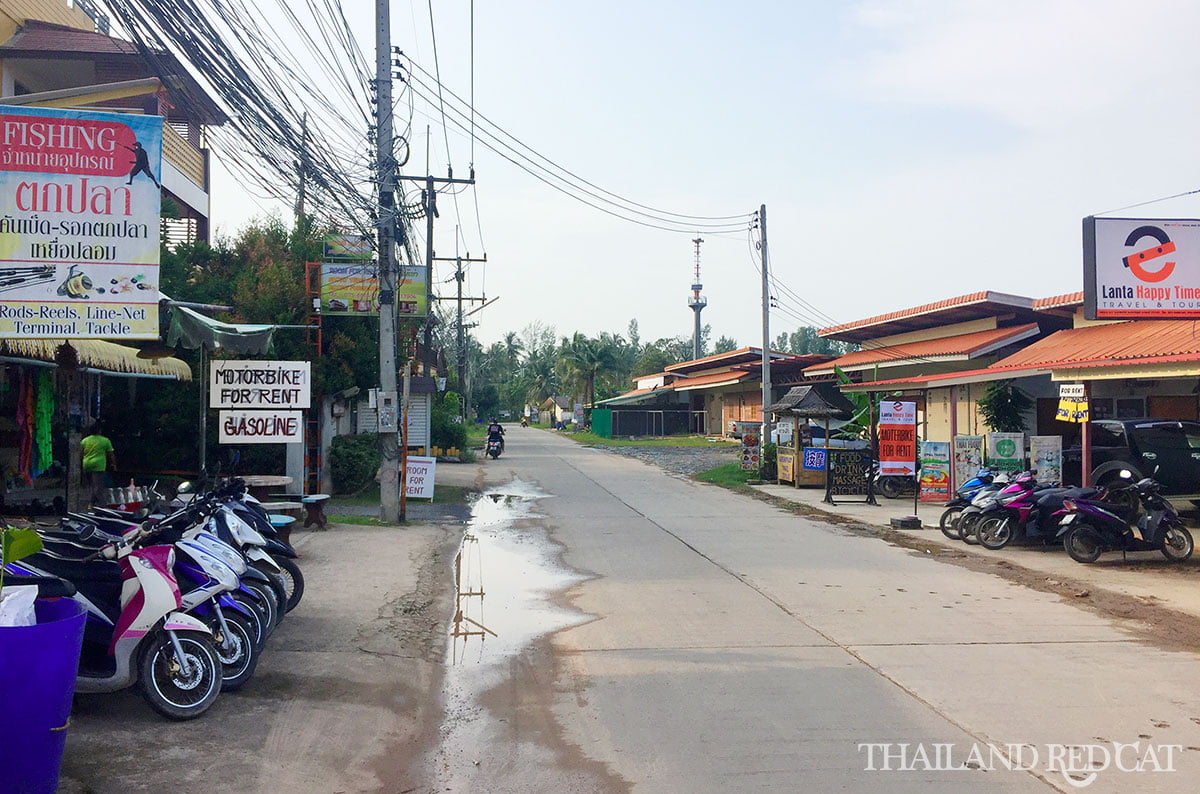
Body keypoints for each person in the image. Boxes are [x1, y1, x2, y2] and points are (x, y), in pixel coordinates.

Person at [81, 421, 117, 505]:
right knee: (97, 485)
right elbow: (111, 454)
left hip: (87, 464)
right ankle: (101, 503)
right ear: (99, 431)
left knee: (91, 484)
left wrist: (81, 465)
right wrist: (114, 464)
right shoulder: (105, 440)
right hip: (99, 465)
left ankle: (92, 503)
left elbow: (81, 453)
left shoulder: (85, 440)